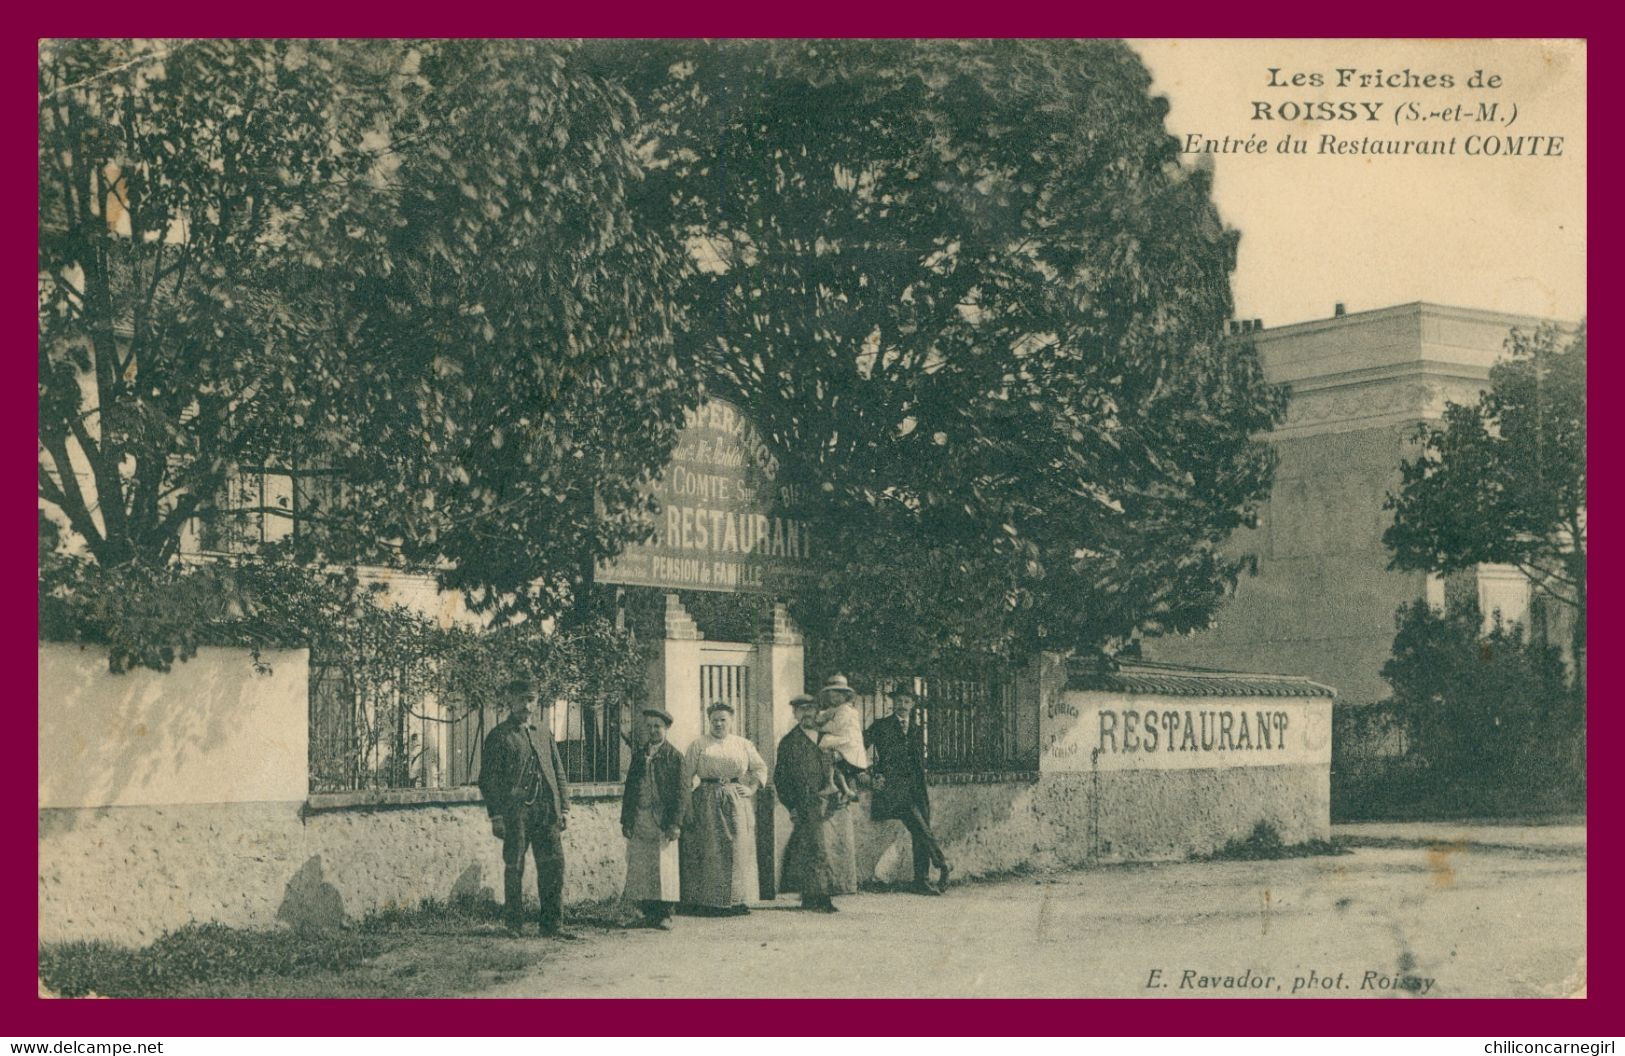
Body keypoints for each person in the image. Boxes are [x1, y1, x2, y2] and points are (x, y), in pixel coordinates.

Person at [477, 675, 579, 938]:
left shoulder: (543, 733)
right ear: (510, 701)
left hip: (546, 810)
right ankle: (514, 924)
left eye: (531, 700)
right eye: (521, 700)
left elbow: (558, 771)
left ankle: (552, 924)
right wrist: (496, 815)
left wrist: (564, 808)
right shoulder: (499, 736)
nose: (526, 706)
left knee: (553, 865)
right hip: (515, 813)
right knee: (515, 866)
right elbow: (488, 780)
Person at [679, 701, 768, 916]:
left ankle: (737, 900)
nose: (718, 724)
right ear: (708, 721)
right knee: (711, 847)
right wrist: (688, 806)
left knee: (738, 847)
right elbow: (685, 776)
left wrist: (752, 788)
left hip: (736, 799)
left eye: (723, 720)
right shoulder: (699, 745)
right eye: (714, 720)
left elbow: (760, 767)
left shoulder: (743, 744)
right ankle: (709, 901)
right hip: (706, 799)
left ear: (731, 721)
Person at [776, 694, 860, 912]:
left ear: (817, 712)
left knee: (830, 849)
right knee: (813, 847)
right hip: (806, 802)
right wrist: (791, 805)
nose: (806, 714)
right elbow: (781, 778)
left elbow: (848, 763)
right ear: (795, 714)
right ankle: (817, 897)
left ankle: (822, 894)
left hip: (832, 803)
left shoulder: (830, 736)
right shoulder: (789, 742)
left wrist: (846, 789)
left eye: (810, 709)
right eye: (801, 710)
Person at [864, 687, 951, 894]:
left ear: (913, 705)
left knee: (921, 829)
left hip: (917, 788)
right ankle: (943, 865)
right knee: (920, 826)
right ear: (893, 703)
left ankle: (921, 880)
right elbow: (858, 747)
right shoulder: (881, 726)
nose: (902, 705)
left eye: (907, 701)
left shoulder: (917, 728)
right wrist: (865, 773)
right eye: (899, 701)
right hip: (893, 789)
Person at [620, 707, 686, 929]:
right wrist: (626, 820)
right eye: (649, 727)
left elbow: (681, 793)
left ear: (666, 728)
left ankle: (664, 914)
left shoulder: (674, 756)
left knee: (664, 866)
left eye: (657, 726)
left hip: (662, 819)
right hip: (641, 816)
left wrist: (676, 823)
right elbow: (630, 788)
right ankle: (644, 912)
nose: (653, 731)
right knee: (641, 866)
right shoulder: (640, 754)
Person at [815, 673, 869, 801]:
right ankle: (845, 790)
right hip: (842, 741)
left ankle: (831, 784)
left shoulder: (846, 710)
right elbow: (824, 716)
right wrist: (819, 718)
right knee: (835, 765)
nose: (834, 698)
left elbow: (836, 727)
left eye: (838, 696)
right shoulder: (836, 709)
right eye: (831, 696)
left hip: (848, 743)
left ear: (846, 696)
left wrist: (820, 727)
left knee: (828, 754)